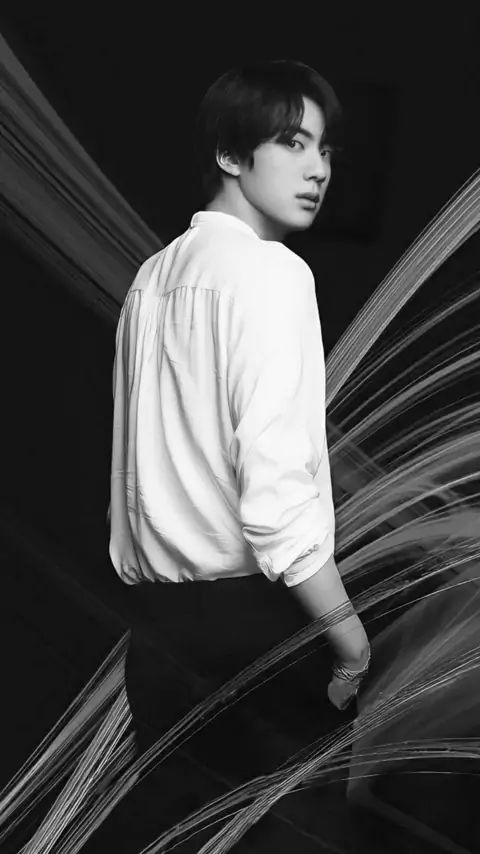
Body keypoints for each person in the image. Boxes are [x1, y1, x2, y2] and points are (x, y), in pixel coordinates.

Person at [107, 58, 370, 845]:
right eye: (292, 142)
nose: (318, 169)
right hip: (259, 636)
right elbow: (275, 495)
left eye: (324, 148)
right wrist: (350, 644)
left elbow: (135, 477)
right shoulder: (272, 273)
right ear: (229, 152)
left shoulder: (150, 280)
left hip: (157, 643)